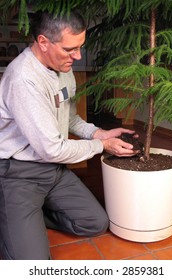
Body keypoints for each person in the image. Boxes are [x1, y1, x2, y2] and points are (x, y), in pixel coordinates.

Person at [0, 10, 139, 260]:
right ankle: (13, 220)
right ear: (43, 42)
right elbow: (51, 149)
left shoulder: (63, 68)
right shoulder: (23, 79)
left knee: (95, 223)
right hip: (17, 174)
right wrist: (101, 145)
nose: (77, 56)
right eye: (69, 49)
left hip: (54, 170)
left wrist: (99, 132)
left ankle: (27, 217)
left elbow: (70, 117)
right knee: (33, 266)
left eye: (80, 47)